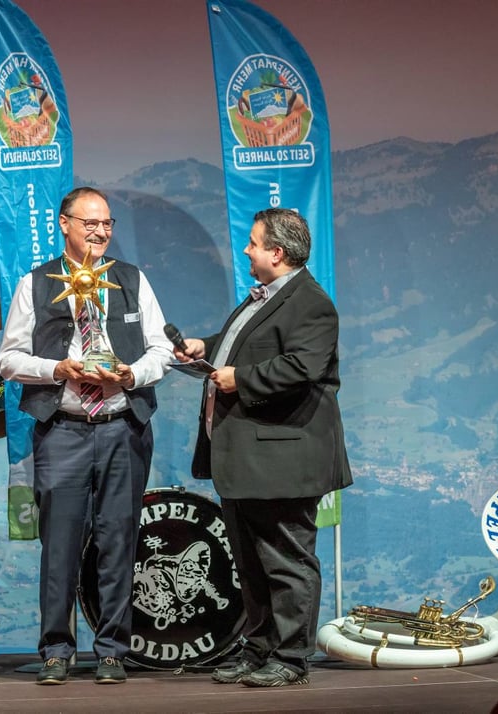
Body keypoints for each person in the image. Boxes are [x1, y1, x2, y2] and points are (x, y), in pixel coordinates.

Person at [0, 187, 173, 685]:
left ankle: (113, 650)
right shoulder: (34, 284)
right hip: (64, 431)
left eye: (107, 223)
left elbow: (161, 350)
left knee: (119, 540)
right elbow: (9, 358)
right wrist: (57, 367)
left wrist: (131, 375)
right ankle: (57, 649)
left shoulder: (131, 280)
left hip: (123, 428)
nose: (100, 232)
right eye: (89, 223)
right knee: (60, 545)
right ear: (64, 224)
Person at [173, 207, 352, 687]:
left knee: (286, 560)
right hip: (247, 457)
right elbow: (243, 345)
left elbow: (302, 367)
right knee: (251, 562)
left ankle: (291, 659)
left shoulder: (311, 302)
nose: (246, 250)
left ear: (277, 252)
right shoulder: (264, 297)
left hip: (284, 458)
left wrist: (239, 379)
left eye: (253, 243)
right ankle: (258, 649)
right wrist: (203, 346)